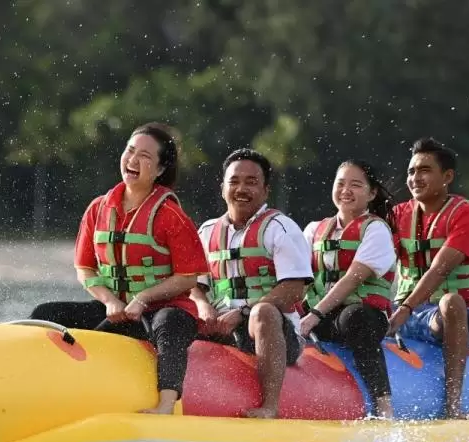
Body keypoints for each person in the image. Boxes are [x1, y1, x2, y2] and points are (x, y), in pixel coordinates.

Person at [29, 123, 208, 414]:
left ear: (161, 169)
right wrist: (111, 301)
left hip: (164, 309)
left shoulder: (171, 215)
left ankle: (164, 405)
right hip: (116, 310)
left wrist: (143, 298)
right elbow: (85, 269)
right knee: (45, 314)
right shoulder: (98, 209)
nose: (133, 160)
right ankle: (34, 386)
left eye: (145, 156)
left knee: (169, 325)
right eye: (130, 150)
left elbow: (187, 277)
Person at [189, 149, 311, 419]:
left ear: (266, 190)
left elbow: (295, 288)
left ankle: (269, 406)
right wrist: (202, 306)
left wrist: (244, 312)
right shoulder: (206, 231)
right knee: (173, 312)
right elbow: (192, 283)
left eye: (251, 182)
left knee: (263, 312)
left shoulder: (281, 228)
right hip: (219, 325)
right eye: (234, 181)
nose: (241, 188)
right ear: (222, 188)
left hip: (274, 331)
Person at [387, 137, 469, 419]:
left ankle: (453, 406)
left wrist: (404, 309)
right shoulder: (398, 215)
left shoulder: (464, 214)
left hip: (448, 321)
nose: (415, 178)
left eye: (425, 170)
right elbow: (374, 267)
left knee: (452, 301)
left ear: (447, 176)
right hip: (404, 315)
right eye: (411, 171)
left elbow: (439, 269)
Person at [298, 160, 397, 418]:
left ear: (372, 193)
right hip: (322, 318)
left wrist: (314, 315)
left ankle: (384, 406)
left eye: (355, 185)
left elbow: (353, 278)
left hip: (362, 318)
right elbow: (297, 277)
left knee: (355, 317)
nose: (346, 190)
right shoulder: (313, 230)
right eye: (340, 183)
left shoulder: (375, 230)